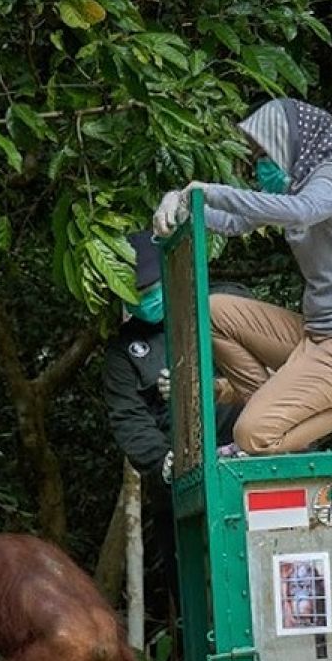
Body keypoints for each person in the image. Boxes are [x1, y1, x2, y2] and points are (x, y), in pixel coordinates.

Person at [152, 97, 332, 457]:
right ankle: (272, 421)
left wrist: (210, 191)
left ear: (293, 145)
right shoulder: (294, 187)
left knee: (251, 436)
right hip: (317, 337)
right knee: (213, 311)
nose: (260, 166)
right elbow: (237, 222)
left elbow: (303, 211)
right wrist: (182, 206)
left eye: (265, 154)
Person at [102, 230, 249, 637]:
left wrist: (207, 383)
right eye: (133, 292)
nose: (143, 298)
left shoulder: (222, 305)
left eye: (149, 288)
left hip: (246, 463)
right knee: (196, 604)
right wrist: (164, 460)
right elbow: (127, 418)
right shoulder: (123, 352)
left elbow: (274, 367)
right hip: (179, 485)